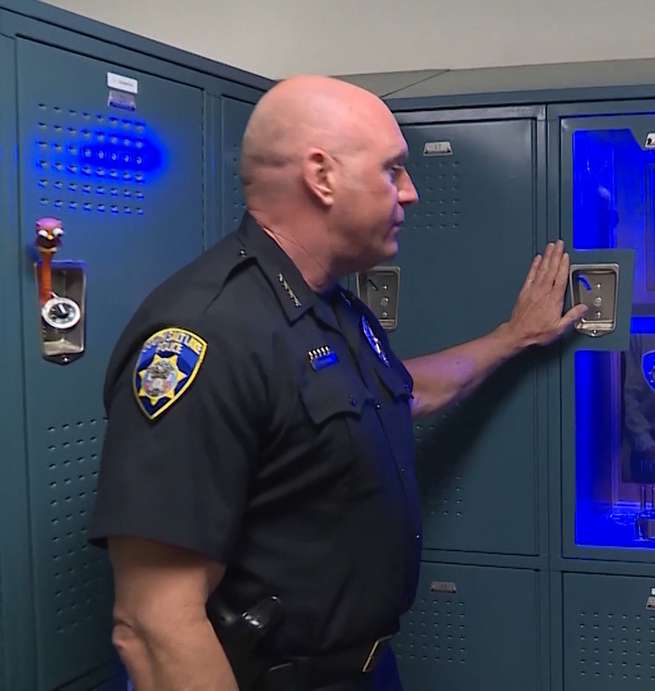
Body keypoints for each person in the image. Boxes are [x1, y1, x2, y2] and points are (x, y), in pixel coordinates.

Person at [86, 74, 587, 691]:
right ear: (321, 176)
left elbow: (401, 394)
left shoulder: (331, 308)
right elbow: (152, 623)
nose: (411, 192)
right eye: (392, 170)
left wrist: (512, 338)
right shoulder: (210, 332)